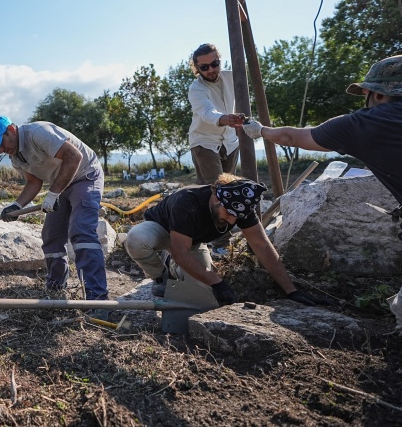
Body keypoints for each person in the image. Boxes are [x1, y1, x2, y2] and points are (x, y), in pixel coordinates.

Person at [243, 54, 402, 332]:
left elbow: (294, 137)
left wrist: (261, 130)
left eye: (365, 93)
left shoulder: (363, 124)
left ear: (376, 94)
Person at [124, 173, 331, 307]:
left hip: (191, 242)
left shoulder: (240, 207)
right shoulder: (187, 201)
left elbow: (261, 245)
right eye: (228, 212)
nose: (232, 220)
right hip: (161, 230)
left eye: (237, 216)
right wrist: (217, 281)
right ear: (216, 196)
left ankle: (175, 268)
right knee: (136, 240)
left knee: (201, 294)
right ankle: (161, 276)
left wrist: (291, 290)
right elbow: (181, 252)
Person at [0, 116, 109, 308]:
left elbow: (74, 157)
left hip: (85, 175)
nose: (1, 150)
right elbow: (33, 182)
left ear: (11, 130)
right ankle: (55, 291)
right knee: (51, 236)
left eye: (1, 143)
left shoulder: (38, 133)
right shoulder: (15, 158)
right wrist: (17, 206)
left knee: (81, 231)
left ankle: (97, 300)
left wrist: (53, 194)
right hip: (61, 184)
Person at [187, 43, 247, 254]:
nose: (211, 70)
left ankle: (226, 236)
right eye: (204, 67)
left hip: (230, 141)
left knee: (230, 188)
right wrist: (225, 119)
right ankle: (218, 244)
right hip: (204, 142)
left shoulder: (234, 77)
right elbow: (207, 112)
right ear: (196, 69)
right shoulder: (196, 89)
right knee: (215, 191)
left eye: (215, 64)